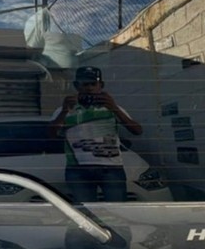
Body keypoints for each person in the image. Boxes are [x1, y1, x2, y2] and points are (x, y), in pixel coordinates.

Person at [49, 65, 142, 203]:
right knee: (85, 211)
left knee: (118, 209)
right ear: (76, 86)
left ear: (101, 85)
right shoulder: (64, 110)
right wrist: (64, 111)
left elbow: (137, 131)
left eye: (93, 84)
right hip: (79, 168)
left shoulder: (112, 108)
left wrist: (114, 108)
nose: (89, 88)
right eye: (85, 84)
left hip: (111, 167)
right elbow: (51, 134)